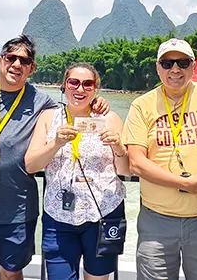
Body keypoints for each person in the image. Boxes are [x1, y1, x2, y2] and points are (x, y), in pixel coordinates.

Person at [0, 35, 109, 280]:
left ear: (32, 68)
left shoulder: (42, 102)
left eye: (24, 61)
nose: (16, 65)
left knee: (11, 274)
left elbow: (74, 106)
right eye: (11, 58)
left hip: (17, 209)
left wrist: (95, 103)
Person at [122, 38, 197, 280]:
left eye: (182, 63)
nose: (175, 70)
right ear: (158, 67)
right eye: (168, 63)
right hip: (157, 220)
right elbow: (136, 162)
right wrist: (186, 184)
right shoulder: (142, 105)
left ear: (193, 66)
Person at [25, 62, 130, 280]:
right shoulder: (48, 118)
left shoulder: (109, 118)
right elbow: (31, 165)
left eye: (87, 84)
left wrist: (118, 147)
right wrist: (55, 143)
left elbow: (125, 170)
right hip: (58, 214)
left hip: (104, 212)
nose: (80, 89)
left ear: (95, 89)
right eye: (73, 82)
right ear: (63, 85)